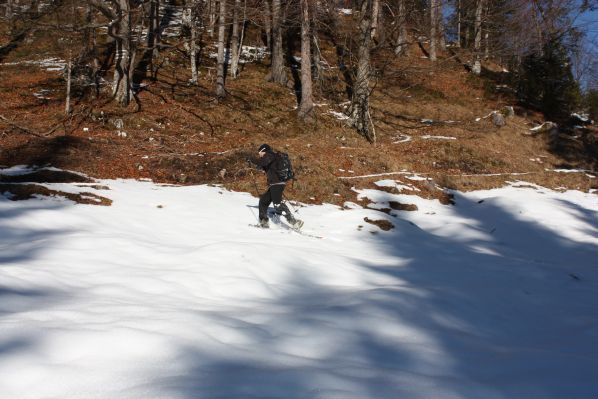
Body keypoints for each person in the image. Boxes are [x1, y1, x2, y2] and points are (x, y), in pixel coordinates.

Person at [251, 144, 303, 229]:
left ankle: (294, 222)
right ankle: (264, 222)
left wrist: (251, 159)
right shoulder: (271, 158)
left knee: (277, 204)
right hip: (275, 184)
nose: (259, 154)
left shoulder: (269, 155)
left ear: (263, 150)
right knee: (263, 201)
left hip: (277, 184)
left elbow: (263, 162)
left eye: (259, 152)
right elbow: (266, 166)